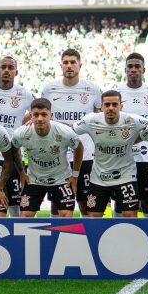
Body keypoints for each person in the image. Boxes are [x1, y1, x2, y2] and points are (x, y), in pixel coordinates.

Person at [41, 49, 102, 217]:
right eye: (66, 62)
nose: (69, 66)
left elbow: (99, 120)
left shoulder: (93, 89)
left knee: (85, 203)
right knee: (57, 203)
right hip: (57, 155)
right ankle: (55, 238)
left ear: (80, 65)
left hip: (86, 155)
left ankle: (88, 238)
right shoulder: (49, 89)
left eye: (73, 62)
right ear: (61, 66)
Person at [72, 90, 148, 218]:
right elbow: (68, 131)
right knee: (93, 218)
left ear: (121, 106)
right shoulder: (91, 120)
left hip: (126, 176)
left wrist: (132, 140)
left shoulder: (132, 120)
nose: (111, 108)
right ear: (101, 107)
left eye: (115, 104)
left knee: (130, 216)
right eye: (107, 105)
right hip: (99, 178)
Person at [0, 56, 35, 218]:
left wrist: (23, 126)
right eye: (4, 67)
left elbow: (39, 112)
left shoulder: (24, 94)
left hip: (13, 155)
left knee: (16, 204)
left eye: (11, 67)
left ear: (16, 72)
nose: (7, 70)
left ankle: (17, 240)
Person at [11, 98, 84, 218]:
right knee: (24, 217)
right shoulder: (22, 133)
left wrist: (75, 176)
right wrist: (21, 173)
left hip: (61, 180)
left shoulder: (64, 131)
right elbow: (14, 149)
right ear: (31, 116)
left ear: (51, 115)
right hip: (34, 180)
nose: (40, 119)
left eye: (44, 114)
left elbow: (79, 147)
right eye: (36, 115)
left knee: (66, 216)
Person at [117, 52, 148, 215]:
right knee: (122, 201)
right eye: (130, 66)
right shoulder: (117, 92)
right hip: (122, 157)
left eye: (137, 66)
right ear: (125, 70)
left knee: (146, 201)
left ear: (144, 70)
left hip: (146, 155)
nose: (134, 69)